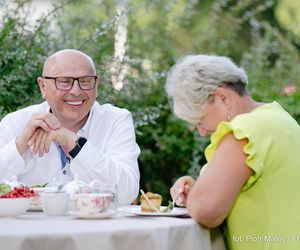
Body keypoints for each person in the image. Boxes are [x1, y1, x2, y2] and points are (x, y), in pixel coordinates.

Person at [165, 54, 300, 250]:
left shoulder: (244, 129)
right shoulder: (278, 118)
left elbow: (205, 209)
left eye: (200, 120)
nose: (201, 132)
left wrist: (197, 196)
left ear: (223, 98)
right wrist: (199, 189)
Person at [0, 49, 140, 204]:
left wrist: (72, 142)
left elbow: (127, 194)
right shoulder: (15, 123)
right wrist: (20, 145)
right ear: (43, 87)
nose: (76, 91)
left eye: (85, 81)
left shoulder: (116, 120)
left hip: (95, 226)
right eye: (64, 81)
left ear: (97, 85)